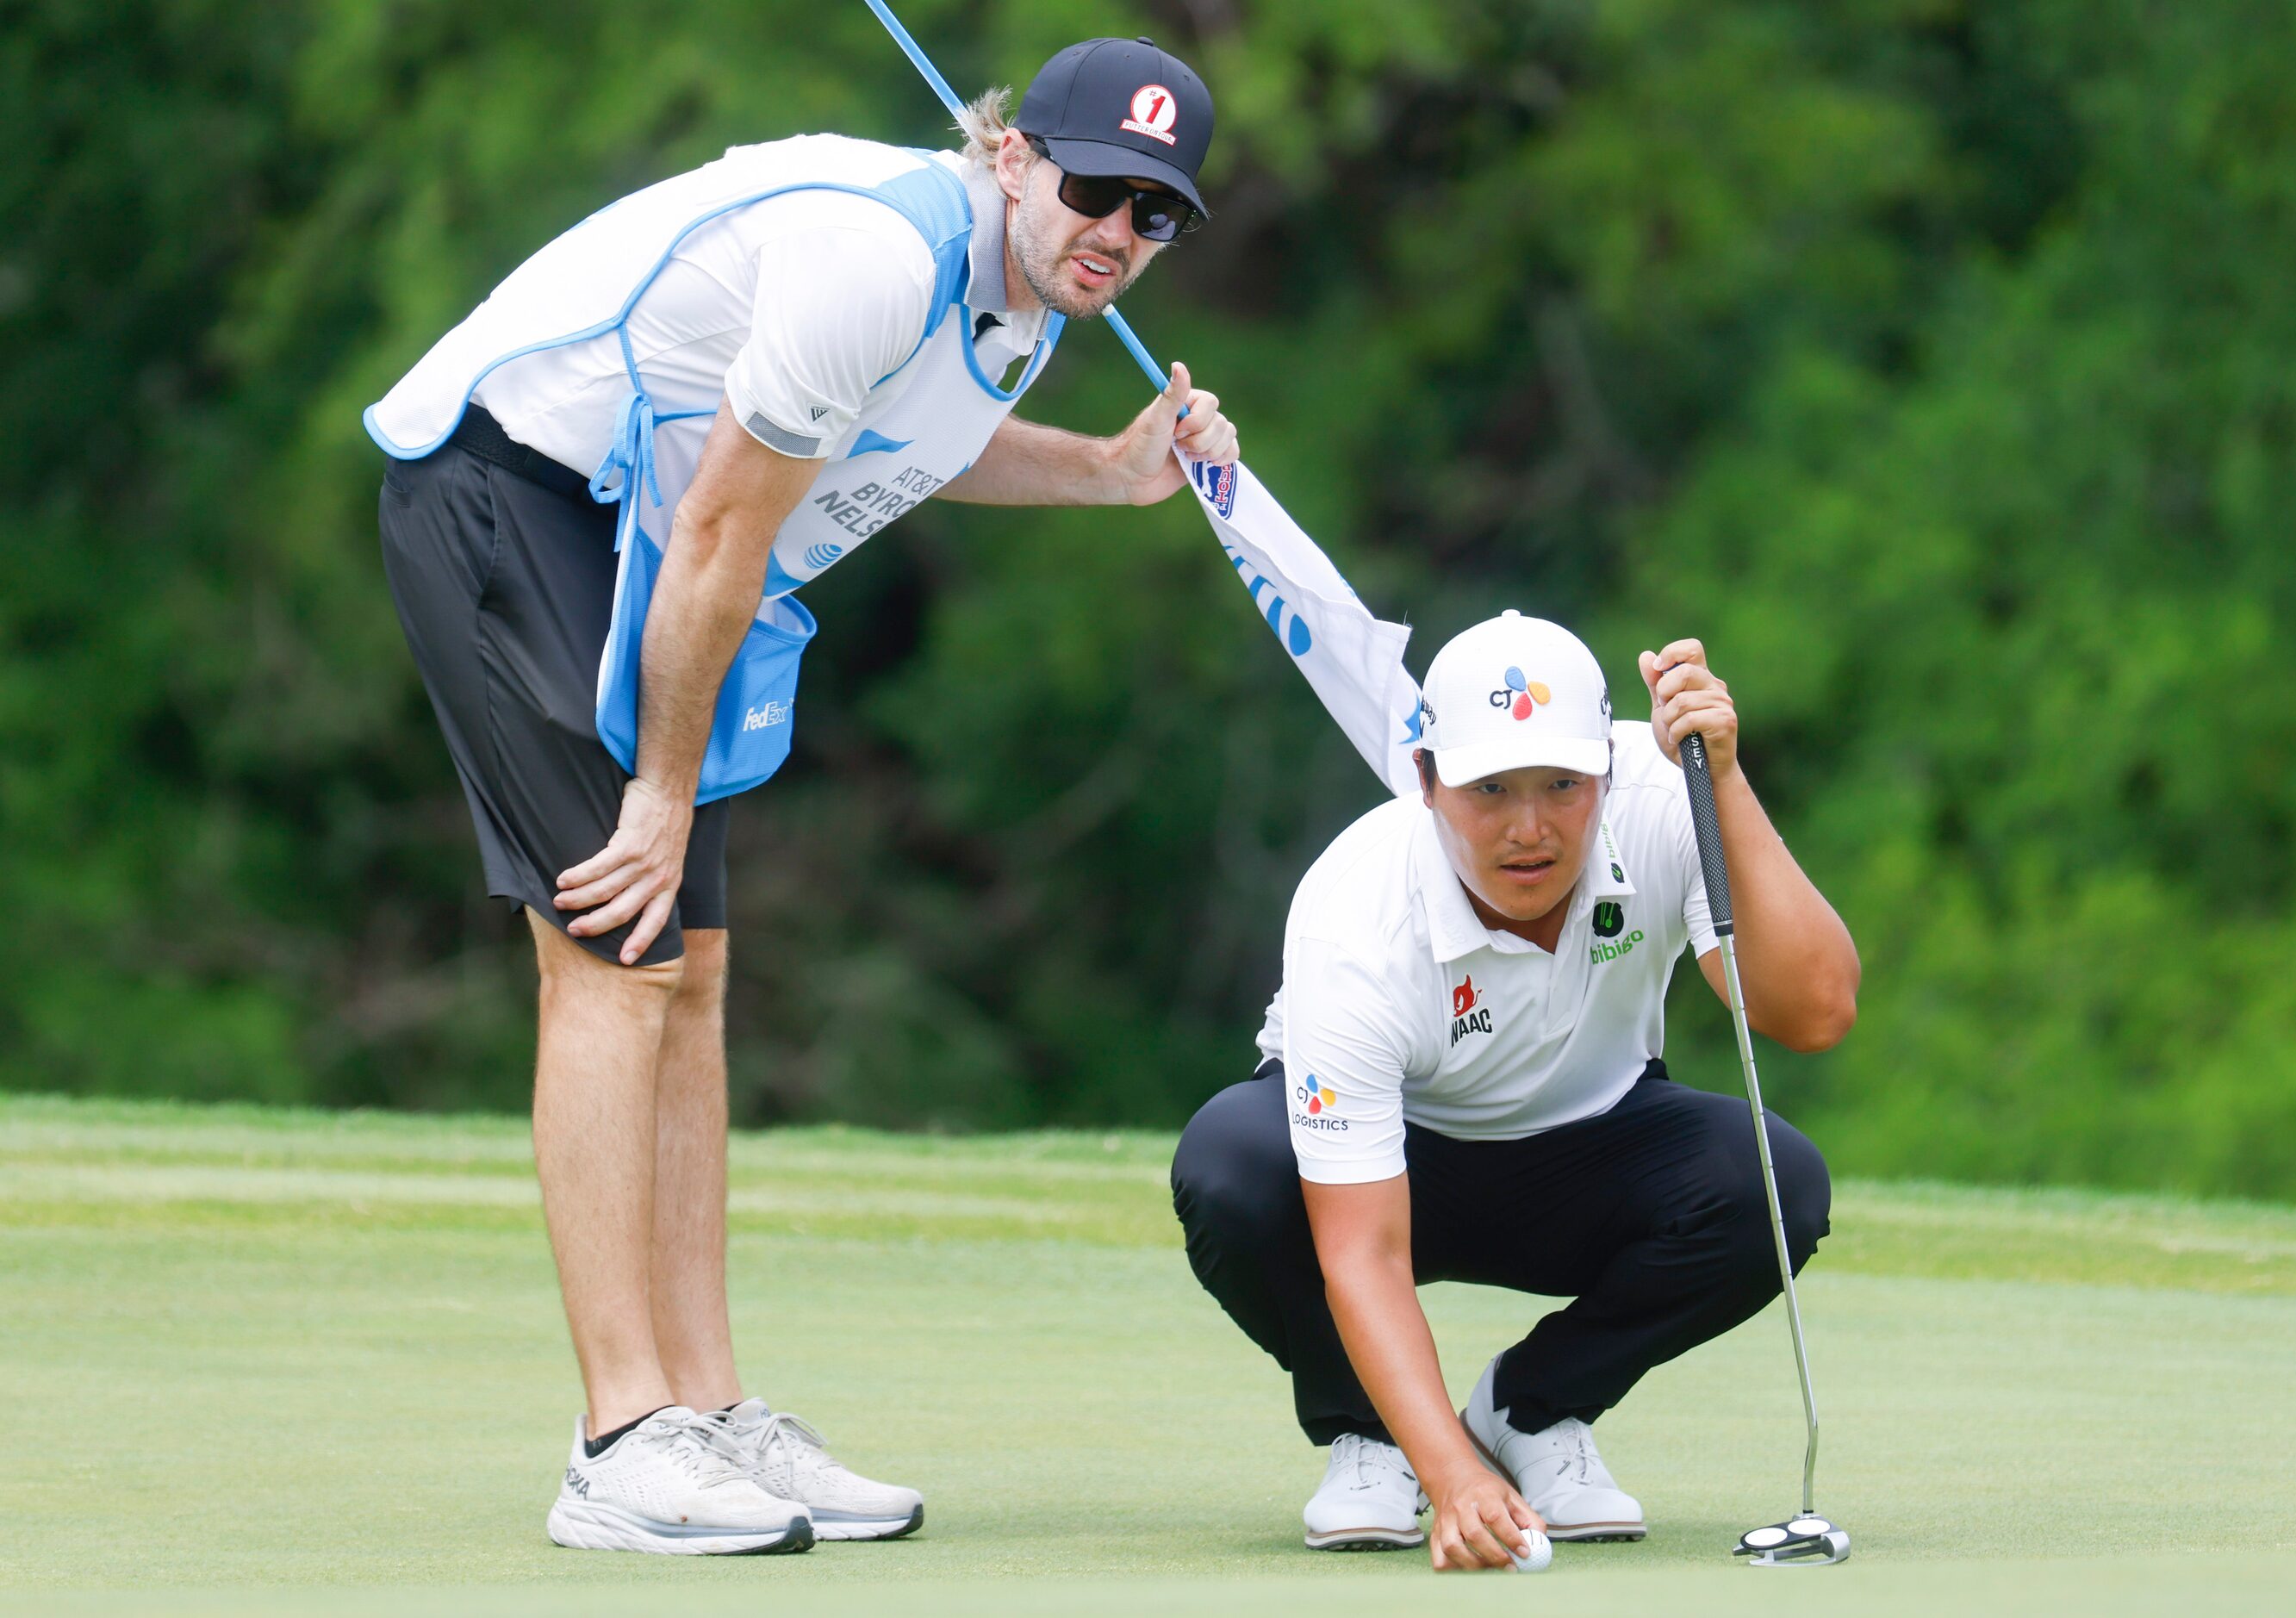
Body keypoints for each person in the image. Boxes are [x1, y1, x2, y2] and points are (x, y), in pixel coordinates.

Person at [364, 38, 1238, 1555]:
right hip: (509, 485)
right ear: (1018, 156)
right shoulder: (876, 256)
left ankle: (705, 1410)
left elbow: (909, 445)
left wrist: (1109, 469)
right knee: (611, 955)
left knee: (690, 971)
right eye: (1097, 186)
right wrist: (658, 785)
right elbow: (719, 532)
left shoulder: (1022, 300)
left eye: (1153, 214)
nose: (1116, 231)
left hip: (626, 518)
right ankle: (621, 1441)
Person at [1170, 611, 1860, 1570]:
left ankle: (1528, 1408)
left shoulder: (1667, 795)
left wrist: (1727, 782)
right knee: (1231, 1166)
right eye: (1489, 789)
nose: (1528, 828)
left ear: (1606, 775)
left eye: (1561, 788)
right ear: (1426, 781)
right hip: (1393, 1160)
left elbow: (1814, 1010)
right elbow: (1362, 1251)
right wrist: (1450, 1480)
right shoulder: (1352, 915)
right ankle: (1373, 1438)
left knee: (1775, 1183)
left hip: (1590, 1152)